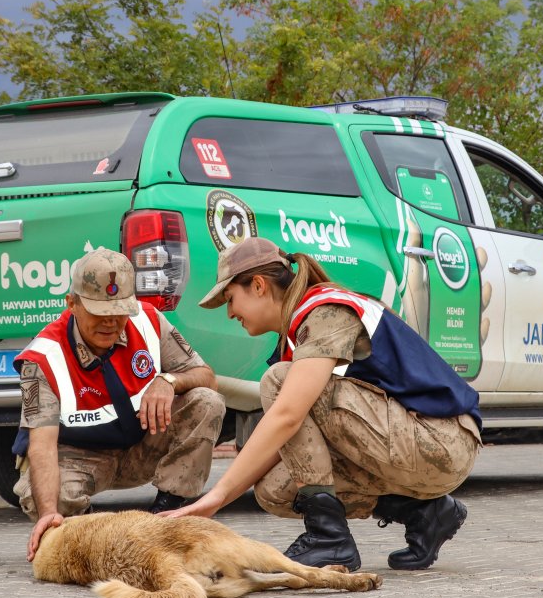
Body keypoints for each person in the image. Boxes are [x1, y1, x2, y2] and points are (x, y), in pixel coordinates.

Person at [163, 237, 482, 572]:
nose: (230, 313)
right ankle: (426, 513)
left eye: (230, 299)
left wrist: (216, 497)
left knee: (279, 380)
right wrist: (220, 497)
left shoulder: (326, 311)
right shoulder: (298, 335)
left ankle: (330, 542)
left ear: (258, 285)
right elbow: (286, 441)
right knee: (274, 489)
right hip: (409, 443)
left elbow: (287, 416)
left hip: (443, 439)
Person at [15, 247, 226, 562]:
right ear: (71, 304)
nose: (111, 323)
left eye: (120, 311)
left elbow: (206, 377)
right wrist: (49, 513)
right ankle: (83, 528)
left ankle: (171, 512)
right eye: (99, 312)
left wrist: (167, 381)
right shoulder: (42, 359)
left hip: (140, 447)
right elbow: (42, 447)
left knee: (206, 401)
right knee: (50, 505)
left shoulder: (149, 321)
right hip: (78, 458)